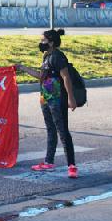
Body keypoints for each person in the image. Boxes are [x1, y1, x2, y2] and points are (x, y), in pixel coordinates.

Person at [16, 28, 78, 179]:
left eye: (43, 40)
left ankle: (72, 166)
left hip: (58, 99)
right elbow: (40, 76)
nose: (41, 42)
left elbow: (66, 77)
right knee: (51, 130)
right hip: (46, 98)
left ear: (51, 42)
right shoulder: (46, 56)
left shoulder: (57, 56)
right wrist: (22, 68)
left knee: (63, 131)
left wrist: (71, 98)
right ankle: (48, 162)